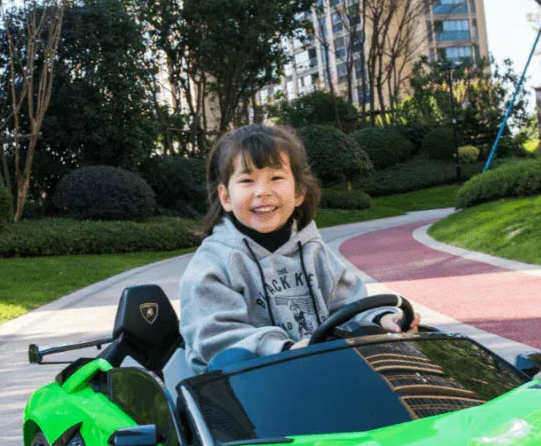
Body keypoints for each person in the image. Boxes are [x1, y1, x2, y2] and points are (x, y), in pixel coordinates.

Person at [179, 124, 419, 373]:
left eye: (276, 178)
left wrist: (381, 319)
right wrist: (284, 351)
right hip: (254, 388)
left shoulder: (315, 252)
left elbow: (350, 304)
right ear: (226, 197)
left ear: (298, 192)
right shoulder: (213, 265)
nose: (263, 191)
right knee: (233, 359)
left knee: (368, 334)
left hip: (317, 375)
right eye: (247, 180)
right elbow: (216, 338)